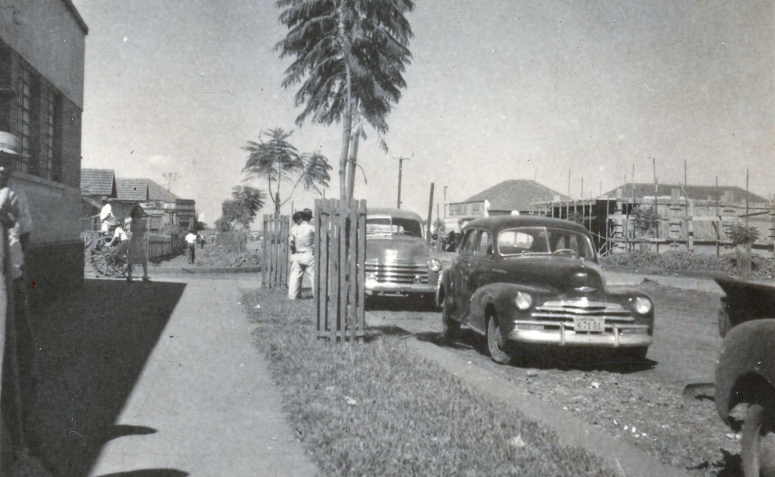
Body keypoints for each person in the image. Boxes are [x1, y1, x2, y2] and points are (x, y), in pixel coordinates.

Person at [288, 209, 315, 299]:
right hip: (309, 253)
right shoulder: (312, 228)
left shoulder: (294, 229)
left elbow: (291, 243)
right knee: (313, 275)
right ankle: (317, 296)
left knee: (295, 276)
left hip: (298, 254)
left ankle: (292, 296)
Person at [126, 205, 150, 282]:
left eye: (140, 212)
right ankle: (130, 275)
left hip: (139, 240)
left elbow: (142, 230)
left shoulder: (141, 221)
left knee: (143, 258)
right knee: (132, 258)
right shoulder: (136, 221)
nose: (139, 213)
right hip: (136, 240)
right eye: (138, 212)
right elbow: (134, 230)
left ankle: (145, 275)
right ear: (136, 213)